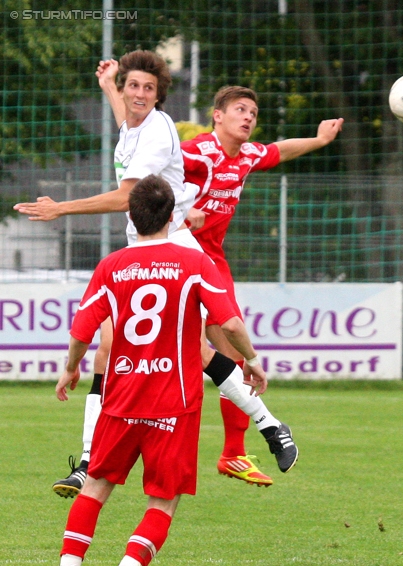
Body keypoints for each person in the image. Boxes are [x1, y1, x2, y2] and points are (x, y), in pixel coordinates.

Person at [14, 51, 298, 495]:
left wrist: (60, 208)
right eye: (133, 86)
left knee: (185, 344)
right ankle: (269, 425)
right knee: (119, 349)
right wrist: (109, 85)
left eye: (148, 88)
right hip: (141, 243)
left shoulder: (159, 132)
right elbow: (127, 122)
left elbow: (127, 197)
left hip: (169, 242)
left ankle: (266, 424)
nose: (139, 94)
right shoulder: (136, 122)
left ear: (159, 94)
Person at [98, 72, 343, 483]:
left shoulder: (246, 155)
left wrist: (318, 140)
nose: (248, 118)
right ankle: (105, 450)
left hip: (211, 259)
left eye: (253, 112)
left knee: (223, 346)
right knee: (189, 348)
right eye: (240, 110)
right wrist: (181, 208)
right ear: (217, 116)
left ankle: (234, 451)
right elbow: (153, 169)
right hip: (174, 252)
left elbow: (279, 150)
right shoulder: (196, 152)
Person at [42, 173, 269, 566]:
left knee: (94, 488)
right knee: (163, 501)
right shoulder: (194, 262)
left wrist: (70, 370)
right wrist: (252, 360)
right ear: (173, 215)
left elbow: (81, 331)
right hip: (174, 402)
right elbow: (230, 324)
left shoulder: (112, 266)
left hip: (122, 398)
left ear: (131, 214)